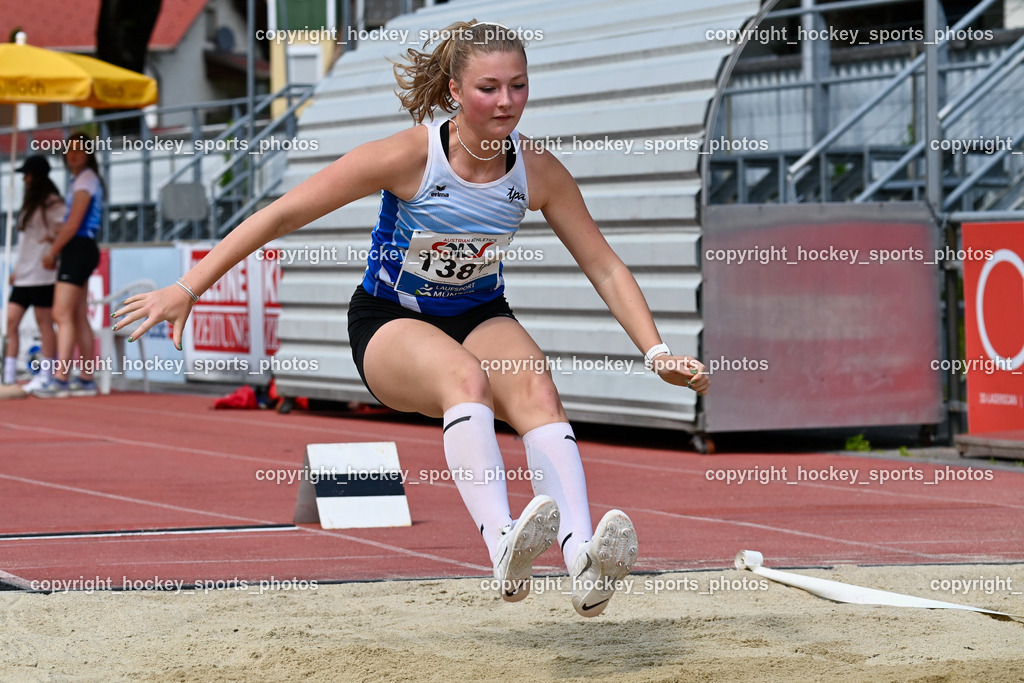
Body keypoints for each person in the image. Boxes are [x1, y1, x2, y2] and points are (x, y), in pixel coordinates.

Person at [113, 20, 711, 617]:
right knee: (465, 379)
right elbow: (280, 216)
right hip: (388, 321)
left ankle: (582, 559)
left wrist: (656, 353)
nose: (506, 102)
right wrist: (189, 287)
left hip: (479, 312)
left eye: (519, 86)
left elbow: (605, 268)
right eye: (489, 88)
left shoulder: (539, 172)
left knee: (538, 389)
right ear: (454, 91)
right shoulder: (408, 157)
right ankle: (503, 542)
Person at [35, 133, 104, 398]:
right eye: (69, 150)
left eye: (78, 150)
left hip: (78, 248)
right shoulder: (84, 179)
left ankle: (61, 378)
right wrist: (55, 238)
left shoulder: (85, 179)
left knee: (60, 314)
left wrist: (53, 251)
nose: (72, 154)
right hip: (82, 247)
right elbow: (74, 223)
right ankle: (86, 378)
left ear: (88, 154)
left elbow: (75, 224)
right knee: (76, 315)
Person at [4, 155, 63, 392]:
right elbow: (25, 241)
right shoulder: (29, 204)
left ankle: (47, 374)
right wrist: (17, 269)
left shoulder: (53, 203)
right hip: (24, 274)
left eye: (28, 174)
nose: (25, 179)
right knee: (11, 320)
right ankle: (8, 374)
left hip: (43, 274)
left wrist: (52, 246)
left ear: (37, 176)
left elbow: (66, 229)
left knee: (44, 323)